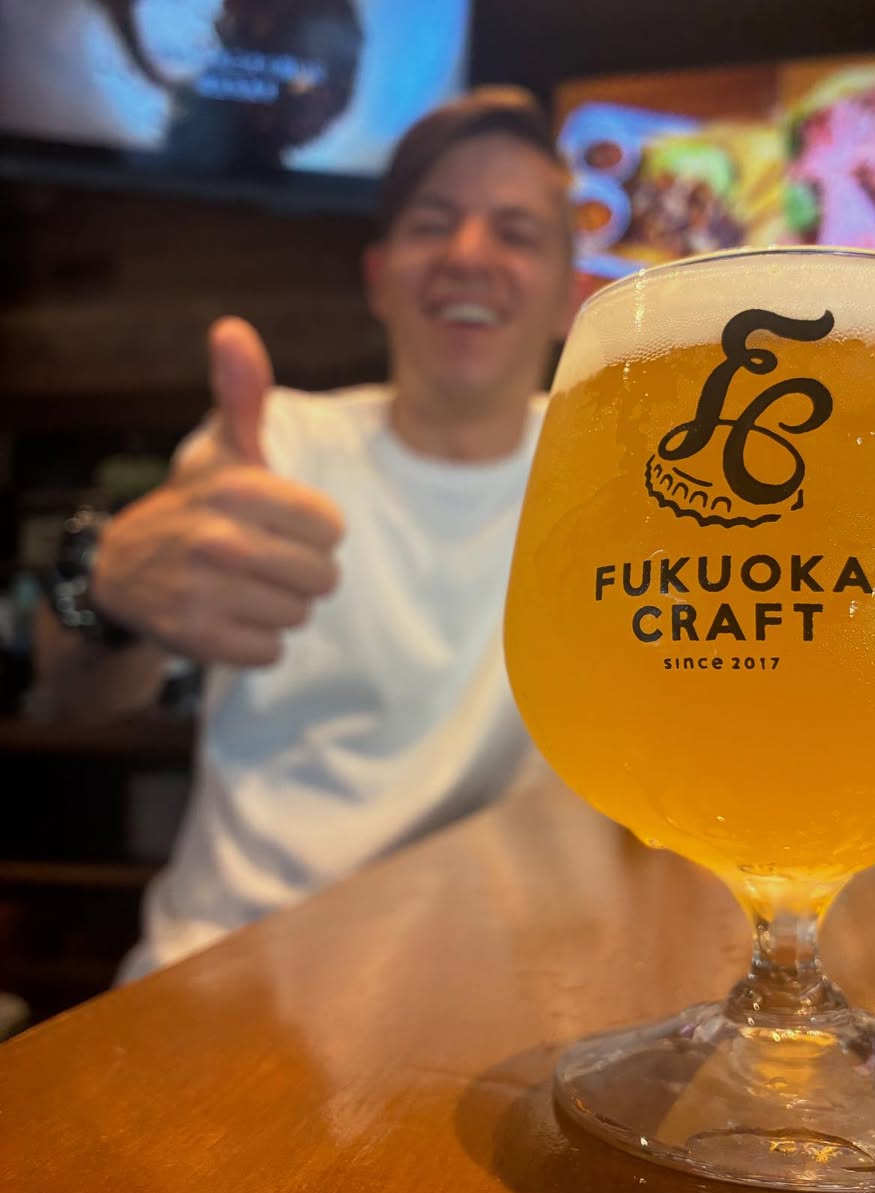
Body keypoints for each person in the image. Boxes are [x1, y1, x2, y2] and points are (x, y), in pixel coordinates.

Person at [34, 87, 578, 981]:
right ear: (379, 278)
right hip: (238, 966)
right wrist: (106, 581)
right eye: (432, 223)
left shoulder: (614, 470)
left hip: (509, 978)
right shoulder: (276, 442)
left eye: (516, 233)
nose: (468, 256)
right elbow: (79, 695)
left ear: (570, 297)